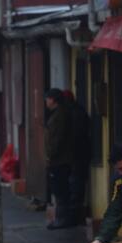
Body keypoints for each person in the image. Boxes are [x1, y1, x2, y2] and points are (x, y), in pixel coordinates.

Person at [43, 88, 74, 229]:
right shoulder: (58, 114)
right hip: (59, 159)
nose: (46, 102)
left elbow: (57, 139)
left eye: (48, 99)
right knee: (58, 189)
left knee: (60, 189)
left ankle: (62, 219)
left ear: (53, 100)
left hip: (60, 160)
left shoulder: (60, 115)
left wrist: (50, 154)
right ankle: (60, 218)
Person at [63, 89, 91, 227]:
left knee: (75, 187)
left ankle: (74, 218)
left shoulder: (72, 114)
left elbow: (75, 137)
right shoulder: (77, 112)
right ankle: (74, 216)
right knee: (76, 186)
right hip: (78, 155)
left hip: (77, 156)